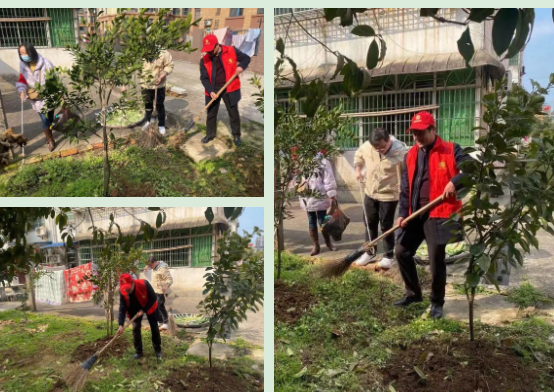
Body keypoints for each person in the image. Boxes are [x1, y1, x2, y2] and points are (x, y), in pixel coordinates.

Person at [394, 111, 471, 319]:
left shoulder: (450, 149)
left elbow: (471, 169)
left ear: (433, 129)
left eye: (421, 132)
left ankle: (437, 302)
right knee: (401, 252)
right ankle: (413, 294)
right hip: (415, 214)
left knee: (436, 259)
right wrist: (402, 214)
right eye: (414, 133)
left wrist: (455, 182)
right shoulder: (410, 154)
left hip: (439, 213)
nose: (417, 137)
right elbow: (405, 189)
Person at [353, 128, 408, 269]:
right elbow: (358, 156)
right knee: (369, 221)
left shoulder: (400, 151)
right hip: (370, 191)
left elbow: (408, 169)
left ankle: (388, 255)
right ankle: (369, 252)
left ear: (388, 140)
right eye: (376, 148)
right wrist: (358, 170)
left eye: (383, 147)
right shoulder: (367, 147)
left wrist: (404, 181)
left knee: (386, 225)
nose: (380, 150)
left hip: (389, 194)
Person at [199, 34, 251, 147]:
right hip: (213, 89)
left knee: (233, 113)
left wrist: (241, 67)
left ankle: (236, 135)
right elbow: (204, 77)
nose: (209, 52)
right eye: (206, 50)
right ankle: (210, 134)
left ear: (217, 45)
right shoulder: (204, 60)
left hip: (230, 87)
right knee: (211, 114)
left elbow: (246, 58)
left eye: (211, 49)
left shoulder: (231, 50)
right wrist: (210, 90)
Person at [15, 43, 56, 152]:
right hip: (36, 98)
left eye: (24, 53)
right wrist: (21, 91)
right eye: (21, 53)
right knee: (44, 120)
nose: (23, 55)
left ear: (31, 52)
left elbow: (54, 80)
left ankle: (49, 135)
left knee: (50, 118)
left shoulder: (46, 63)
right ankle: (50, 140)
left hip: (49, 96)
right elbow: (22, 79)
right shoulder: (23, 64)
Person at [122, 49, 174, 135]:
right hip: (145, 85)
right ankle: (149, 121)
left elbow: (169, 66)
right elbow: (131, 67)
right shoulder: (141, 52)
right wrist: (124, 84)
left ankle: (161, 125)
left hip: (159, 85)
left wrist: (161, 76)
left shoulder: (164, 53)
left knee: (159, 105)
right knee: (147, 104)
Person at [298, 151, 338, 256]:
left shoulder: (323, 162)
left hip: (320, 195)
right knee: (311, 221)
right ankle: (316, 245)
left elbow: (328, 179)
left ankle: (328, 243)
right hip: (307, 196)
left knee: (322, 221)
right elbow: (300, 178)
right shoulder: (303, 160)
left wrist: (331, 193)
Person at [117, 273, 162, 359]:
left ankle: (158, 350)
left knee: (154, 327)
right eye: (124, 288)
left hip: (149, 305)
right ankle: (139, 352)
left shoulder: (144, 284)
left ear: (133, 283)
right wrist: (120, 325)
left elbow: (153, 298)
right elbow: (122, 309)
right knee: (135, 329)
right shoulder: (123, 292)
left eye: (128, 287)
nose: (126, 290)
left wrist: (143, 310)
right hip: (133, 309)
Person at [143, 255, 173, 330]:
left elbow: (169, 279)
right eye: (149, 265)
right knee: (156, 306)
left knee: (160, 306)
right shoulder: (154, 266)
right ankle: (160, 321)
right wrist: (147, 266)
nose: (150, 267)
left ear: (155, 262)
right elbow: (150, 266)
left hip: (162, 291)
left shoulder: (162, 268)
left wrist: (166, 286)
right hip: (155, 289)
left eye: (151, 265)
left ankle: (165, 322)